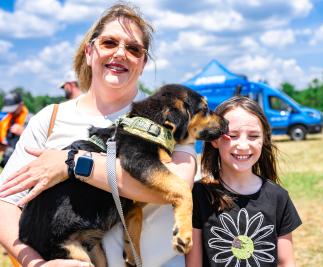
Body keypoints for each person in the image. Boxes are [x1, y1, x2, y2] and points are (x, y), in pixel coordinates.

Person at [0, 3, 196, 267]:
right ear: (89, 51)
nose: (120, 53)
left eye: (134, 48)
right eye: (109, 43)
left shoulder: (169, 119)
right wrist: (37, 264)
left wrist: (73, 163)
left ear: (144, 62)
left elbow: (177, 186)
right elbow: (6, 202)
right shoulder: (49, 119)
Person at [186, 96, 302, 267]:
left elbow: (286, 262)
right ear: (215, 140)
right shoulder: (198, 195)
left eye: (253, 136)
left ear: (264, 140)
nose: (243, 145)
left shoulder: (279, 197)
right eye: (232, 135)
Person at [0, 92, 29, 167]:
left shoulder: (32, 119)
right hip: (8, 160)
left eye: (13, 109)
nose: (11, 112)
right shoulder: (6, 120)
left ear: (21, 105)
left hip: (24, 161)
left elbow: (40, 142)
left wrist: (24, 132)